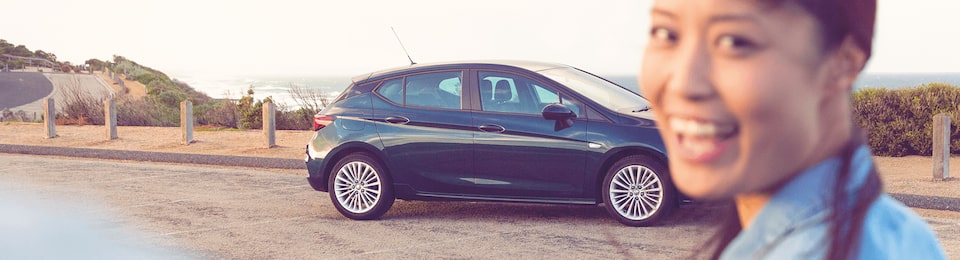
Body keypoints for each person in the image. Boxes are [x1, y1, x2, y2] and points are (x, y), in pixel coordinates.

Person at [637, 0, 946, 259]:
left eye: (734, 41)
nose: (682, 84)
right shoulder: (894, 230)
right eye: (666, 33)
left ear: (844, 62)